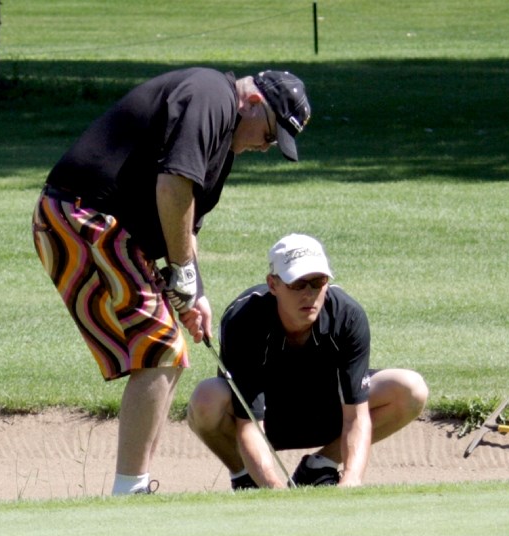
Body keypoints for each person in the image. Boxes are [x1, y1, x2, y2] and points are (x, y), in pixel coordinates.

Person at [32, 68, 311, 495]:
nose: (266, 147)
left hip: (101, 228)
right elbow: (173, 186)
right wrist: (180, 274)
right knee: (161, 348)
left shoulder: (221, 146)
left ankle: (133, 486)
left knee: (163, 352)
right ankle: (130, 491)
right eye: (269, 135)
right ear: (253, 102)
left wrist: (195, 293)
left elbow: (185, 226)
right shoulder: (211, 96)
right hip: (82, 216)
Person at [188, 233, 429, 489]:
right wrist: (276, 493)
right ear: (273, 284)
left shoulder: (347, 315)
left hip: (325, 411)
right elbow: (250, 425)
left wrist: (350, 484)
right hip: (264, 419)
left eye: (318, 282)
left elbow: (356, 416)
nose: (309, 293)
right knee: (207, 397)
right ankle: (246, 475)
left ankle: (320, 465)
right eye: (297, 284)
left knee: (410, 388)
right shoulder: (245, 319)